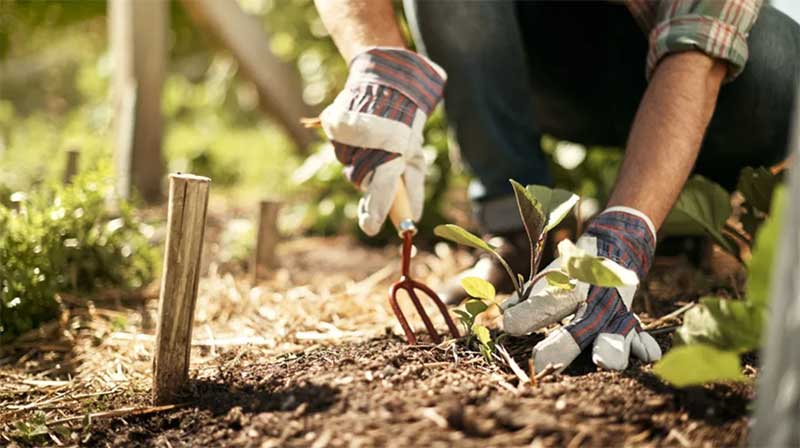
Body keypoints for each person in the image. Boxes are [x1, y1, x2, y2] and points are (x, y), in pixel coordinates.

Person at [313, 0, 798, 373]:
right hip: (544, 62)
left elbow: (700, 56)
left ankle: (678, 211)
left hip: (713, 74)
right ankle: (518, 230)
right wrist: (375, 60)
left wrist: (625, 232)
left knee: (777, 58)